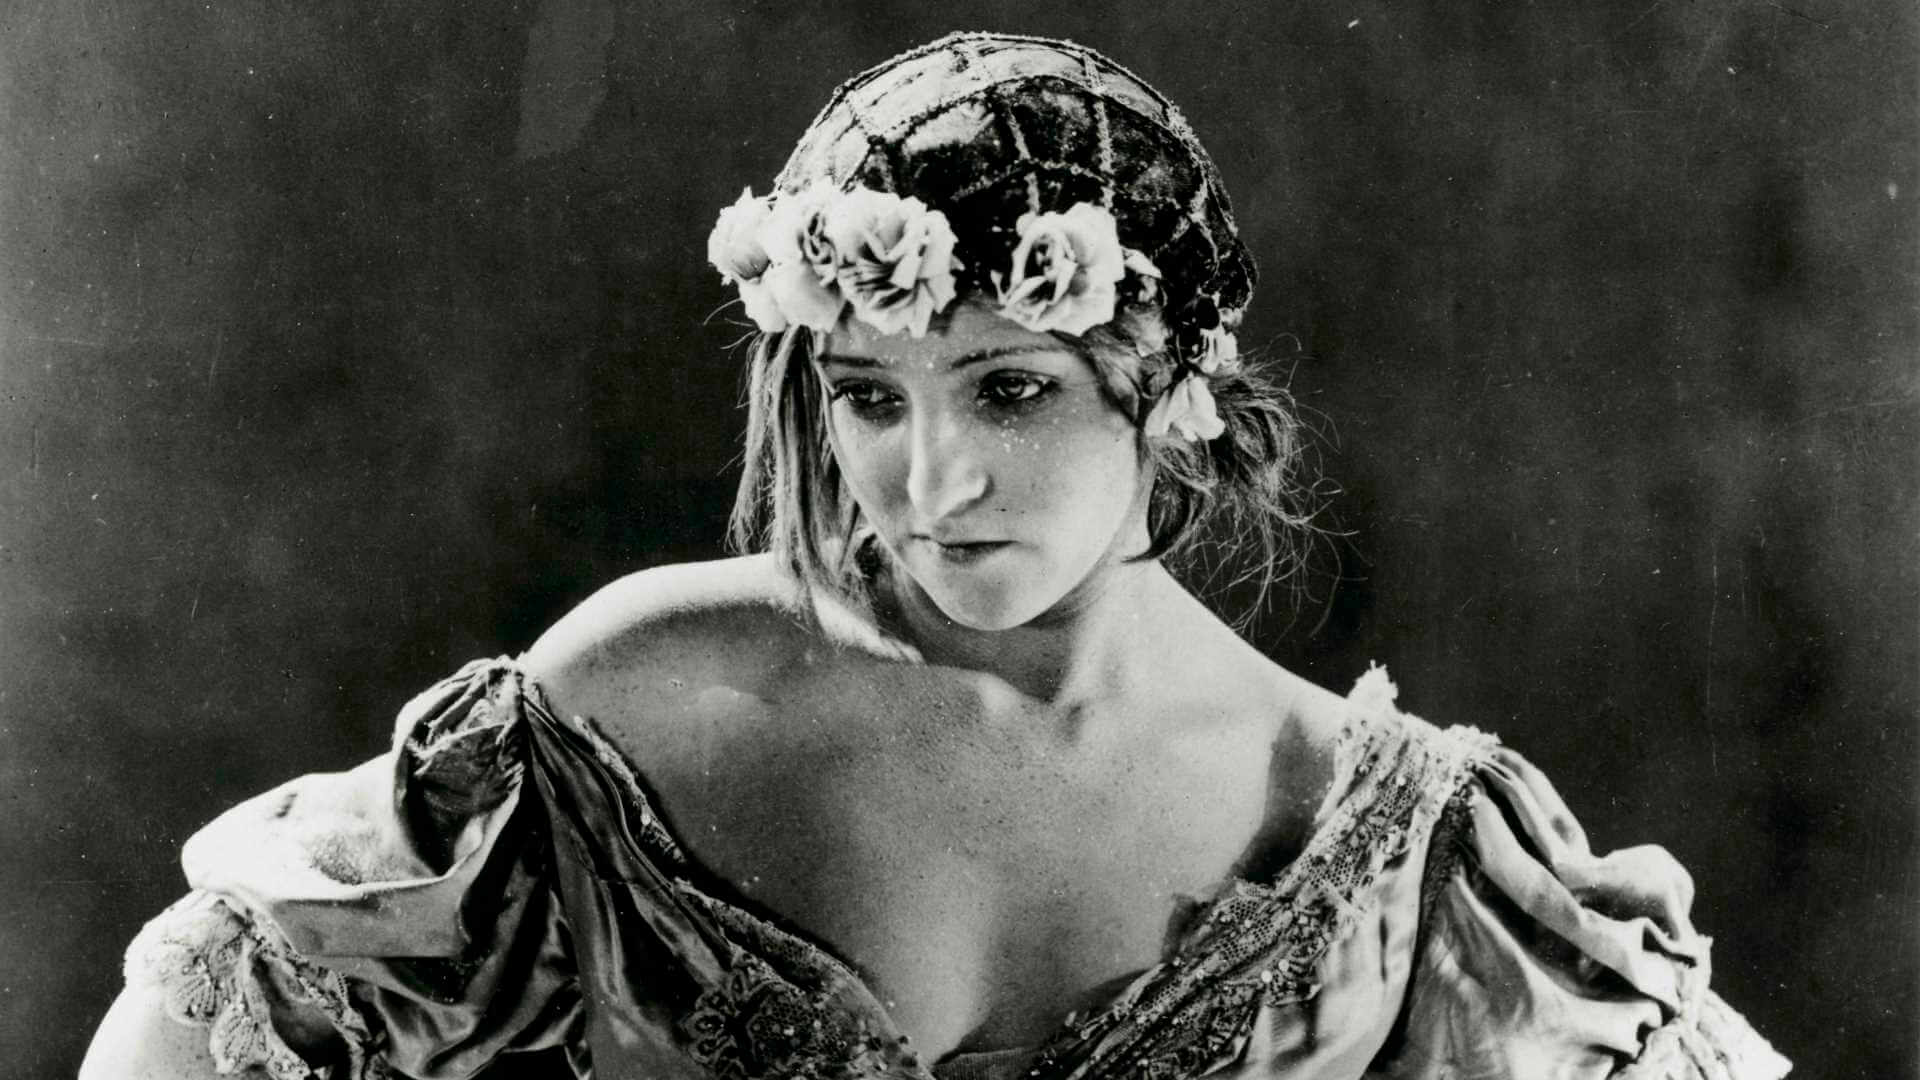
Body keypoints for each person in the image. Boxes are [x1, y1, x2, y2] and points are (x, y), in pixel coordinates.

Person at [80, 31, 1790, 1080]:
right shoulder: (641, 698)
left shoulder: (1383, 833)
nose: (931, 476)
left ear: (1174, 387)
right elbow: (198, 1030)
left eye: (1010, 388)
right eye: (867, 397)